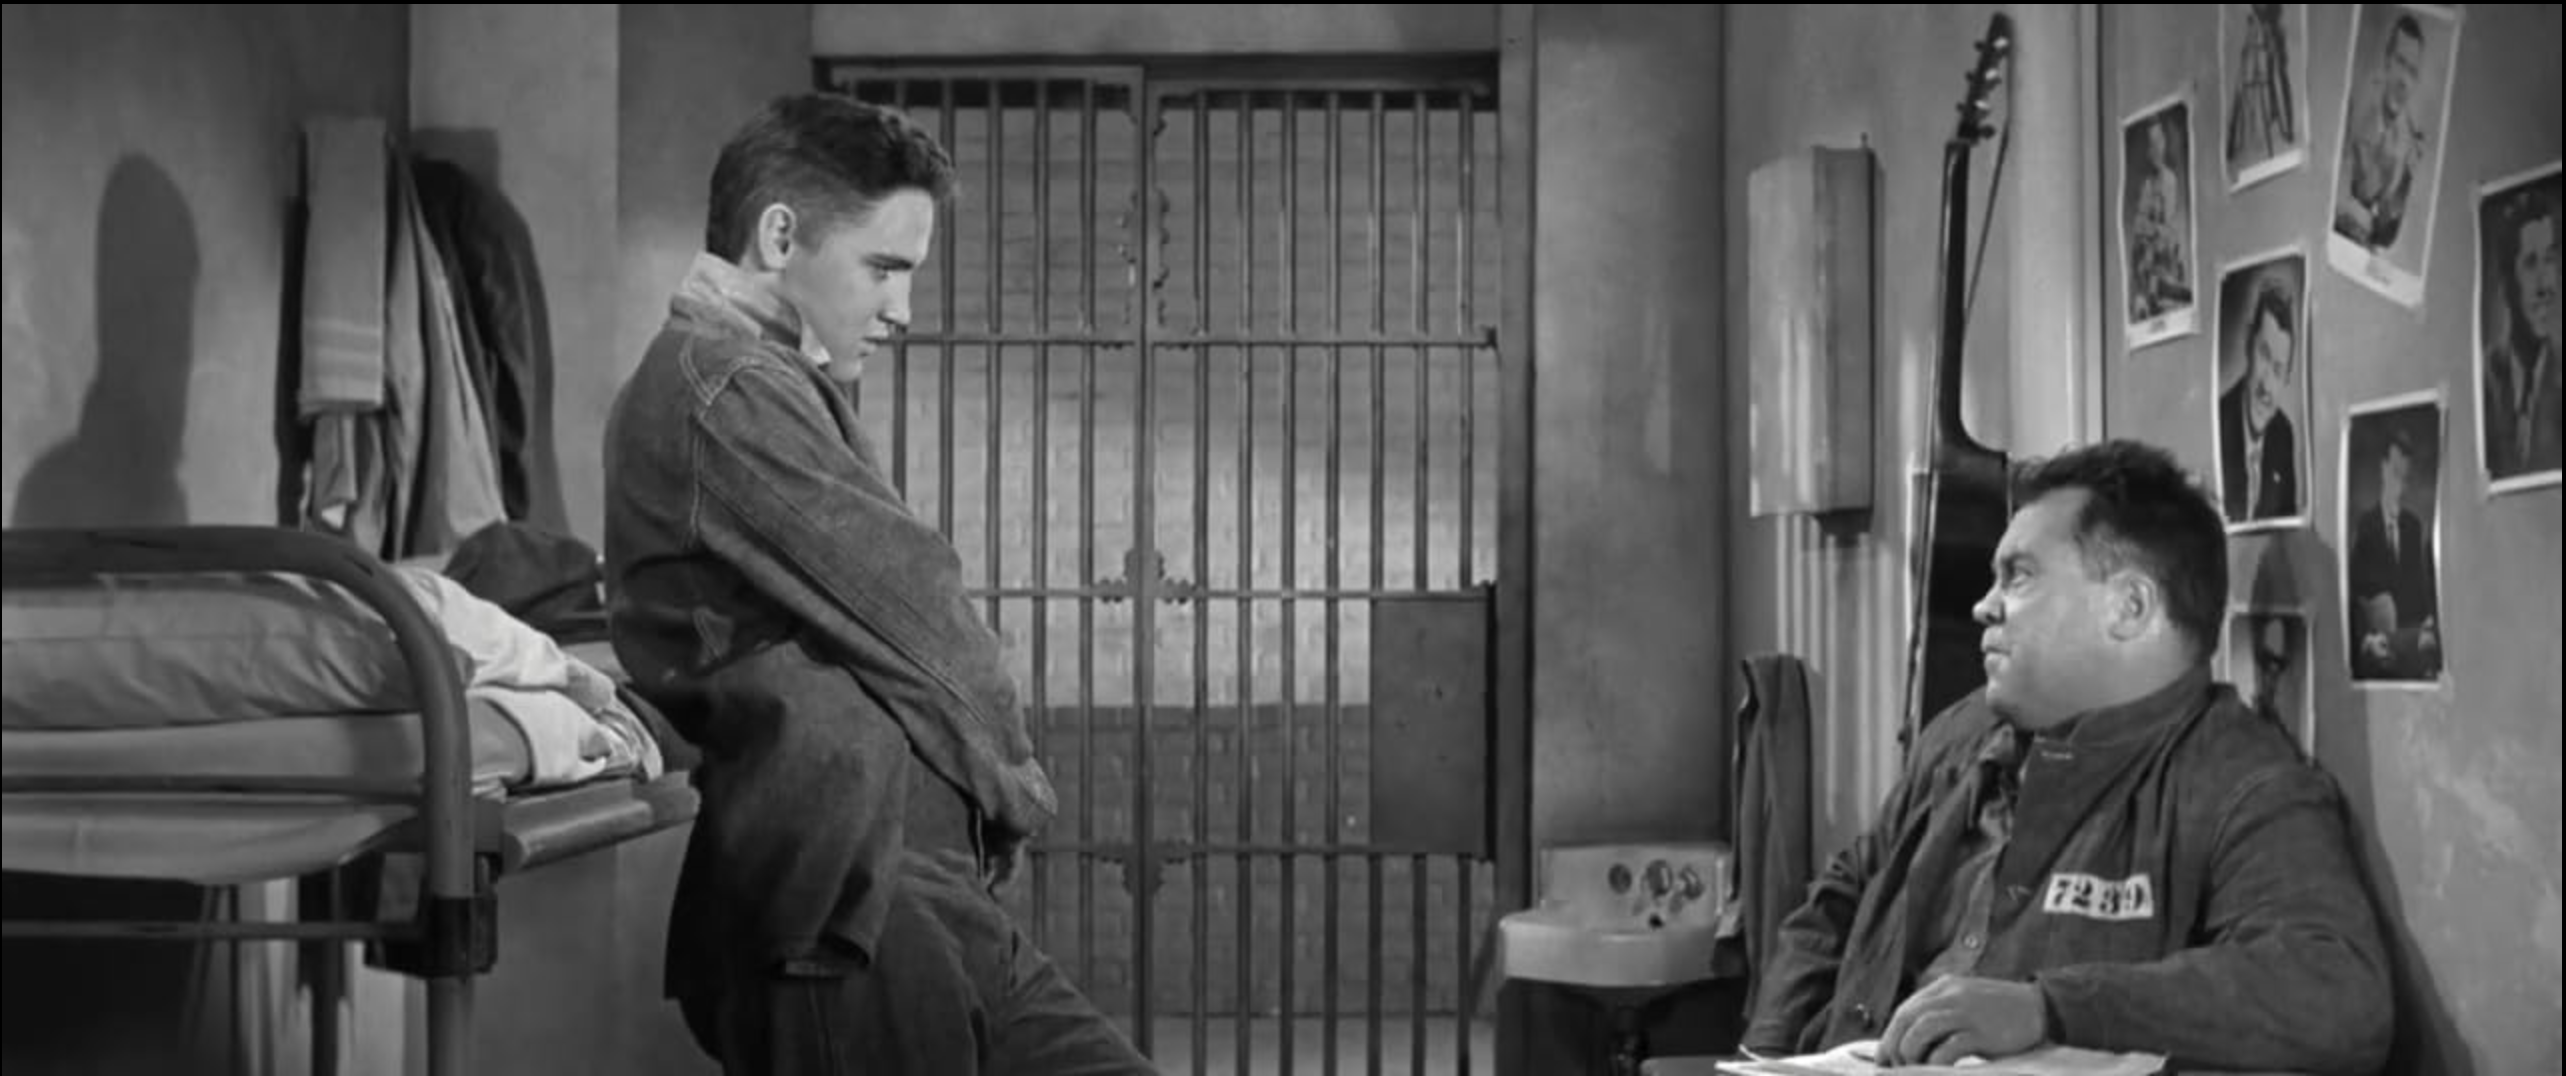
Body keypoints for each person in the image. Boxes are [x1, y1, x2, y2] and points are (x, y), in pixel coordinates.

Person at [603, 93, 1156, 1075]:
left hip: (902, 891)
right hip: (849, 905)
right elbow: (918, 608)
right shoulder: (723, 386)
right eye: (884, 268)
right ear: (780, 236)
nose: (902, 310)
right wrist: (1014, 788)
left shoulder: (750, 379)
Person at [1741, 440, 2393, 1073]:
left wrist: (2049, 1008)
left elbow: (2337, 993)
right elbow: (1846, 891)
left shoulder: (2238, 781)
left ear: (2130, 607)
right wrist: (1762, 1055)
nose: (1983, 606)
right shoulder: (1962, 733)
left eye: (2018, 576)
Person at [2347, 428, 2442, 681]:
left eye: (2404, 476)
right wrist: (2366, 639)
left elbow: (2419, 591)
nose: (2400, 483)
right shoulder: (2366, 526)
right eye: (2395, 472)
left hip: (2409, 644)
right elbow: (2353, 595)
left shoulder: (2413, 526)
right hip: (2378, 648)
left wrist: (2429, 622)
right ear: (2383, 468)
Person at [2483, 184, 2562, 479]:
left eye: (2550, 259)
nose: (2545, 285)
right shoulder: (2485, 380)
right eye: (2530, 263)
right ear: (2506, 281)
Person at [2334, 13, 2428, 252]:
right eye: (2401, 62)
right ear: (2387, 61)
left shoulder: (2406, 139)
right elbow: (2334, 199)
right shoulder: (2354, 103)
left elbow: (2384, 236)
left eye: (2412, 72)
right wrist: (2363, 219)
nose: (2404, 81)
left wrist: (2407, 180)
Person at [2218, 273, 2300, 521]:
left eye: (2278, 370)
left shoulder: (2283, 434)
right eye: (2264, 354)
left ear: (2286, 380)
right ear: (2247, 343)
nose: (2267, 385)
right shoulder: (2218, 421)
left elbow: (2287, 525)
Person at [2128, 115, 2192, 322]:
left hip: (2164, 247)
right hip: (2151, 248)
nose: (2156, 149)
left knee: (2161, 242)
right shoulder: (2147, 184)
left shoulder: (2170, 179)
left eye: (2159, 142)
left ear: (2164, 143)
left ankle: (2162, 290)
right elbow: (2139, 223)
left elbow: (2166, 221)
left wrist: (2154, 229)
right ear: (2148, 152)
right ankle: (2150, 294)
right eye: (2152, 145)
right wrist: (2150, 229)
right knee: (2140, 247)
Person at [2225, 3, 2297, 174]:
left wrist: (2287, 130)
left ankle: (2283, 130)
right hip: (2251, 89)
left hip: (2264, 94)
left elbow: (2279, 81)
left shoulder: (2271, 32)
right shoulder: (2250, 28)